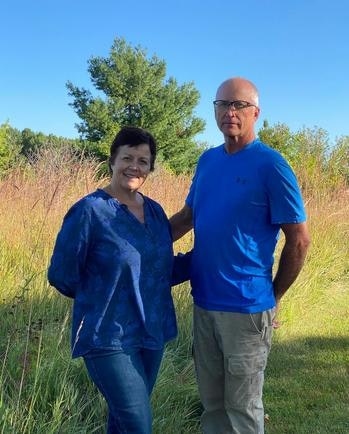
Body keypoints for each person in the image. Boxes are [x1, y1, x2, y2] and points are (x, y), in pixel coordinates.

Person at [170, 77, 310, 434]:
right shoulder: (207, 162)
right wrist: (139, 242)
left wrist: (273, 296)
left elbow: (298, 240)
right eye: (222, 104)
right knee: (213, 404)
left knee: (243, 410)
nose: (230, 112)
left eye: (239, 105)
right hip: (203, 304)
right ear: (215, 110)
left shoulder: (271, 165)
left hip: (247, 309)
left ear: (255, 113)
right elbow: (188, 217)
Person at [48, 126, 188, 434]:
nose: (134, 167)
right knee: (138, 425)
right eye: (127, 157)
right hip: (107, 337)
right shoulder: (89, 211)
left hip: (152, 333)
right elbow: (61, 275)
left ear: (150, 168)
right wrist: (100, 298)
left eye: (143, 160)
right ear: (112, 160)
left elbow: (159, 270)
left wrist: (208, 256)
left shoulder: (154, 211)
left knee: (122, 423)